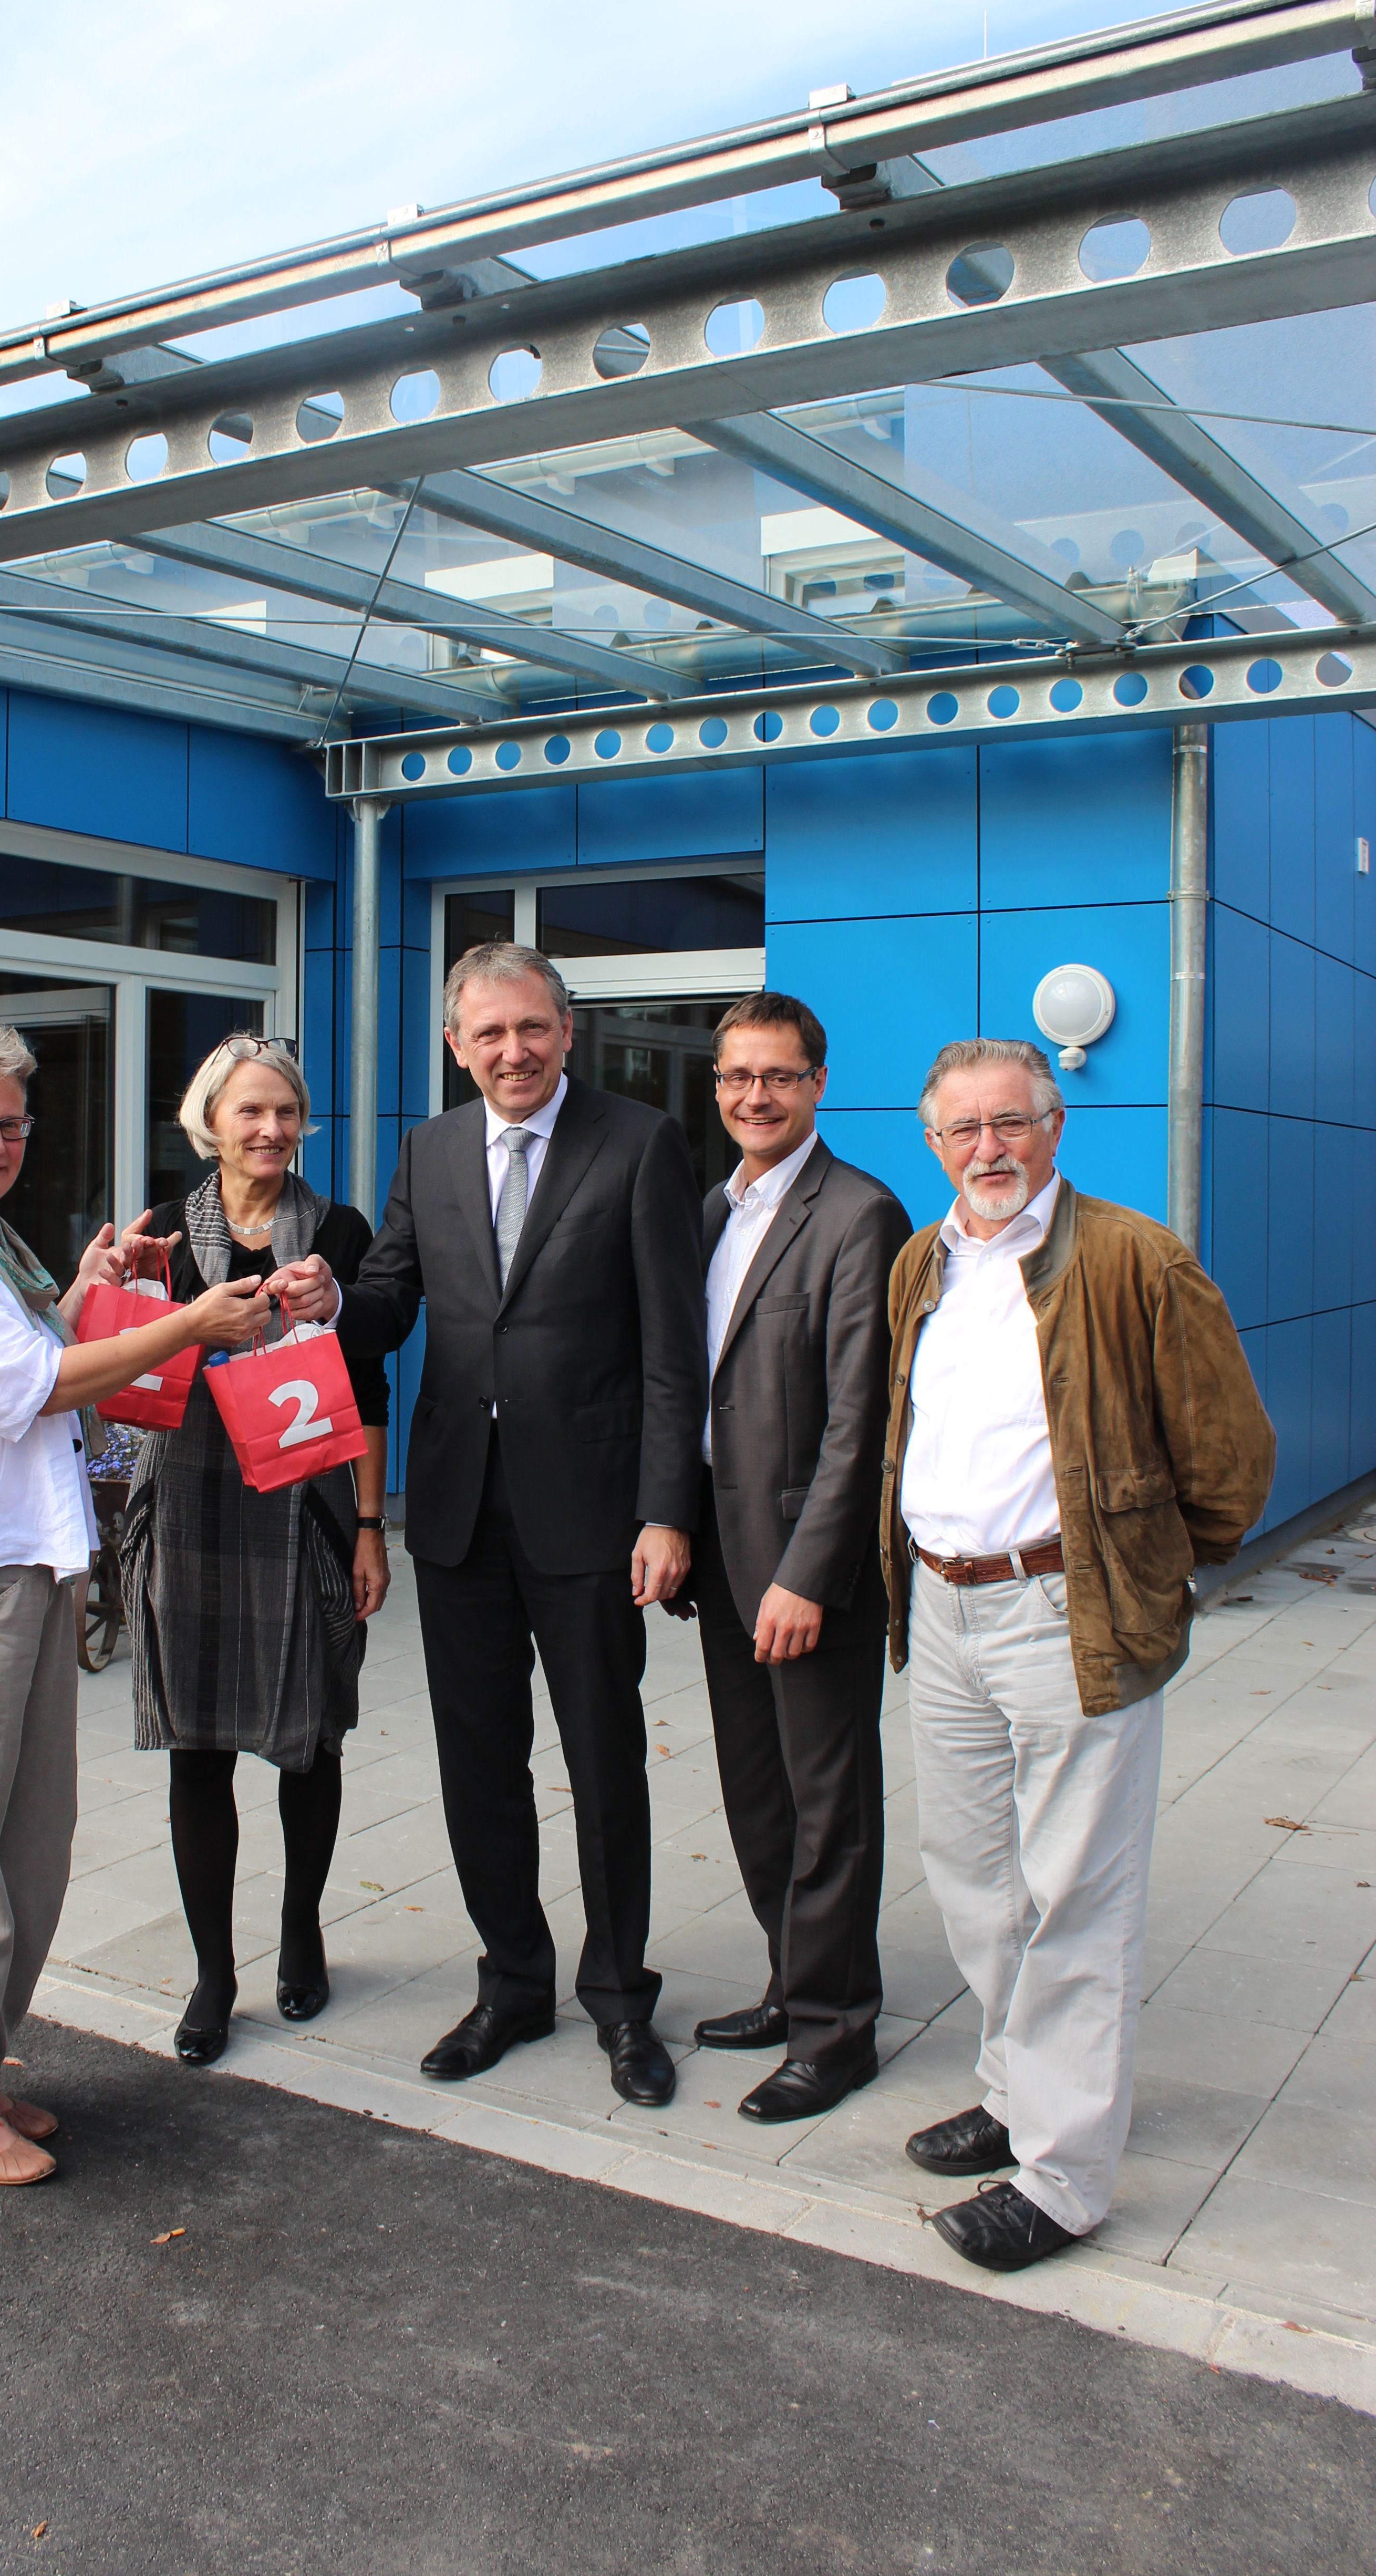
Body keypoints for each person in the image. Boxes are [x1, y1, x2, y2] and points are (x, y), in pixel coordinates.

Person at [0, 1024, 265, 2187]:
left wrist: (88, 1288)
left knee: (19, 1841)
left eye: (11, 1123)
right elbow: (34, 1384)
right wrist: (192, 1322)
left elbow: (35, 1345)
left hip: (15, 1568)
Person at [271, 942, 706, 2108]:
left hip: (595, 1513)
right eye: (488, 1035)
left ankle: (620, 1999)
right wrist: (330, 1304)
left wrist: (669, 1510)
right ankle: (514, 1981)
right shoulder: (432, 1147)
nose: (512, 1052)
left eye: (533, 1029)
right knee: (479, 1763)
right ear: (457, 1048)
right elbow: (393, 1300)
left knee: (605, 1762)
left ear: (568, 1032)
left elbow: (676, 1351)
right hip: (461, 1508)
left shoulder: (641, 1143)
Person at [884, 1038, 1275, 2271]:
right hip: (942, 1610)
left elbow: (1230, 1456)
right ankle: (1014, 2093)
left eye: (1013, 1123)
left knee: (1076, 1896)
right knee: (974, 1877)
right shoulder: (922, 1262)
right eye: (963, 1130)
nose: (989, 1148)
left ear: (1056, 1128)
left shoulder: (1133, 1256)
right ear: (932, 1142)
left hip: (1068, 1610)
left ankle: (1062, 2176)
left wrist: (1148, 1568)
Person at [118, 1034, 391, 2066]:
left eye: (286, 1111)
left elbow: (369, 1391)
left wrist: (369, 1527)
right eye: (251, 1112)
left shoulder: (338, 1233)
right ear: (212, 1123)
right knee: (199, 1744)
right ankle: (214, 1975)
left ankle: (303, 1929)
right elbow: (122, 1380)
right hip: (190, 1510)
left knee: (309, 1736)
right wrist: (150, 1299)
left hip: (306, 1510)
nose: (272, 1129)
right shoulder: (164, 1237)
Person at [684, 991, 911, 2124]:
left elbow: (859, 1422)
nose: (754, 1097)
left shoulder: (860, 1213)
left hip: (802, 1569)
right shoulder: (716, 1207)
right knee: (755, 1786)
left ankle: (838, 2030)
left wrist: (808, 1576)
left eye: (777, 1077)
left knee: (829, 1799)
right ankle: (790, 1982)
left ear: (818, 1084)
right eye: (736, 1078)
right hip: (725, 1559)